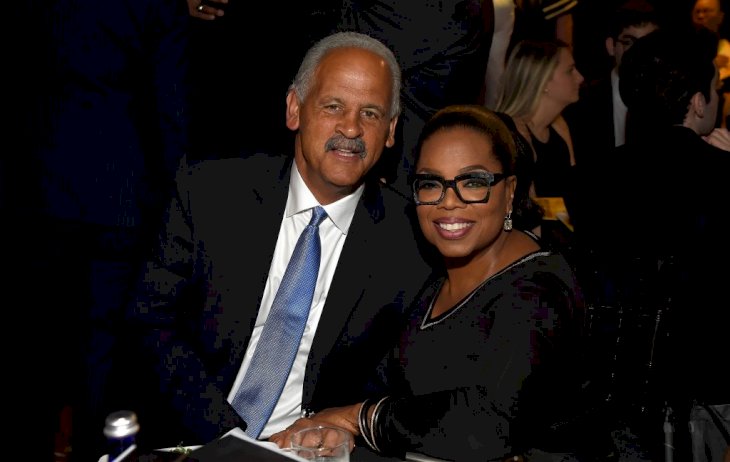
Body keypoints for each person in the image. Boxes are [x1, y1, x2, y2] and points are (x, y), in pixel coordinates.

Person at [121, 31, 433, 452]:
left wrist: (343, 427)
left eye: (372, 114)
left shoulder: (409, 242)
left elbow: (400, 380)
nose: (351, 128)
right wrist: (229, 442)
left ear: (392, 131)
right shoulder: (211, 191)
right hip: (192, 437)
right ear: (294, 109)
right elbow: (152, 322)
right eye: (333, 106)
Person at [269, 105, 615, 462]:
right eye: (431, 183)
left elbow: (489, 423)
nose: (449, 202)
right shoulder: (433, 276)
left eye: (473, 182)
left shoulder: (539, 291)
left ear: (509, 191)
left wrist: (357, 418)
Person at [8, 0, 191, 460]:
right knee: (101, 349)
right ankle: (91, 451)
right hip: (120, 193)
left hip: (42, 182)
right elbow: (170, 105)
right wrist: (178, 201)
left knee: (38, 337)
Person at [576, 25, 730, 461]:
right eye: (715, 90)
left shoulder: (599, 175)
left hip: (618, 381)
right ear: (699, 101)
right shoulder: (720, 174)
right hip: (708, 381)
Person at [495, 38, 584, 256]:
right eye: (570, 71)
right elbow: (525, 209)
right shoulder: (511, 131)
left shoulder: (560, 126)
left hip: (562, 244)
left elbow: (572, 196)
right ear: (543, 81)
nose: (580, 78)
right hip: (530, 249)